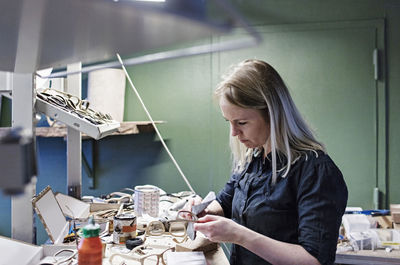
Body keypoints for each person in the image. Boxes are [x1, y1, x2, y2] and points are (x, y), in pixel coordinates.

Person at [189, 59, 348, 265]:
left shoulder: (315, 171)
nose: (234, 133)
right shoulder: (254, 158)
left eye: (242, 122)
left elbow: (314, 260)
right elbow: (225, 202)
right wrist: (202, 210)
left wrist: (238, 234)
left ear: (272, 114)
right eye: (229, 122)